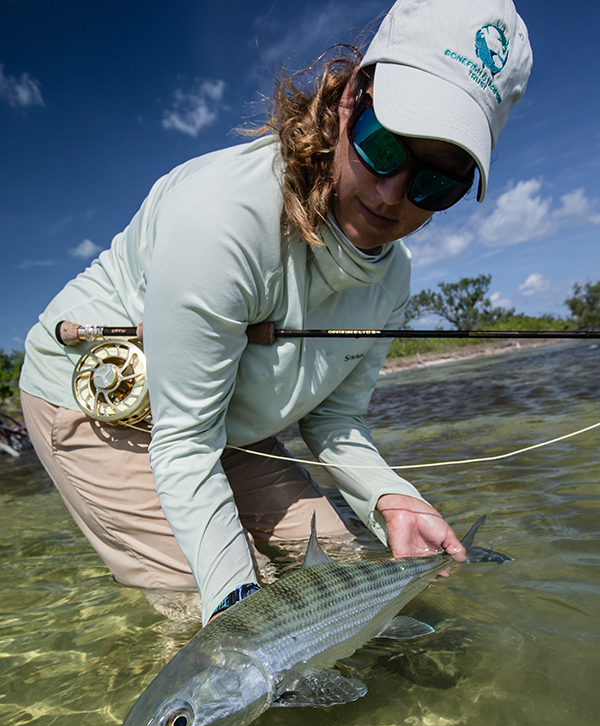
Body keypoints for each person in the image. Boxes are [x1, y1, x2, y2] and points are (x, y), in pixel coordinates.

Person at [19, 0, 532, 624]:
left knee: (345, 575)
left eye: (436, 182)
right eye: (382, 145)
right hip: (103, 399)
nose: (391, 193)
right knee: (222, 611)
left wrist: (395, 500)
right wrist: (238, 609)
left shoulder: (392, 278)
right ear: (348, 101)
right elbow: (185, 443)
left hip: (229, 415)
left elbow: (336, 423)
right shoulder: (222, 218)